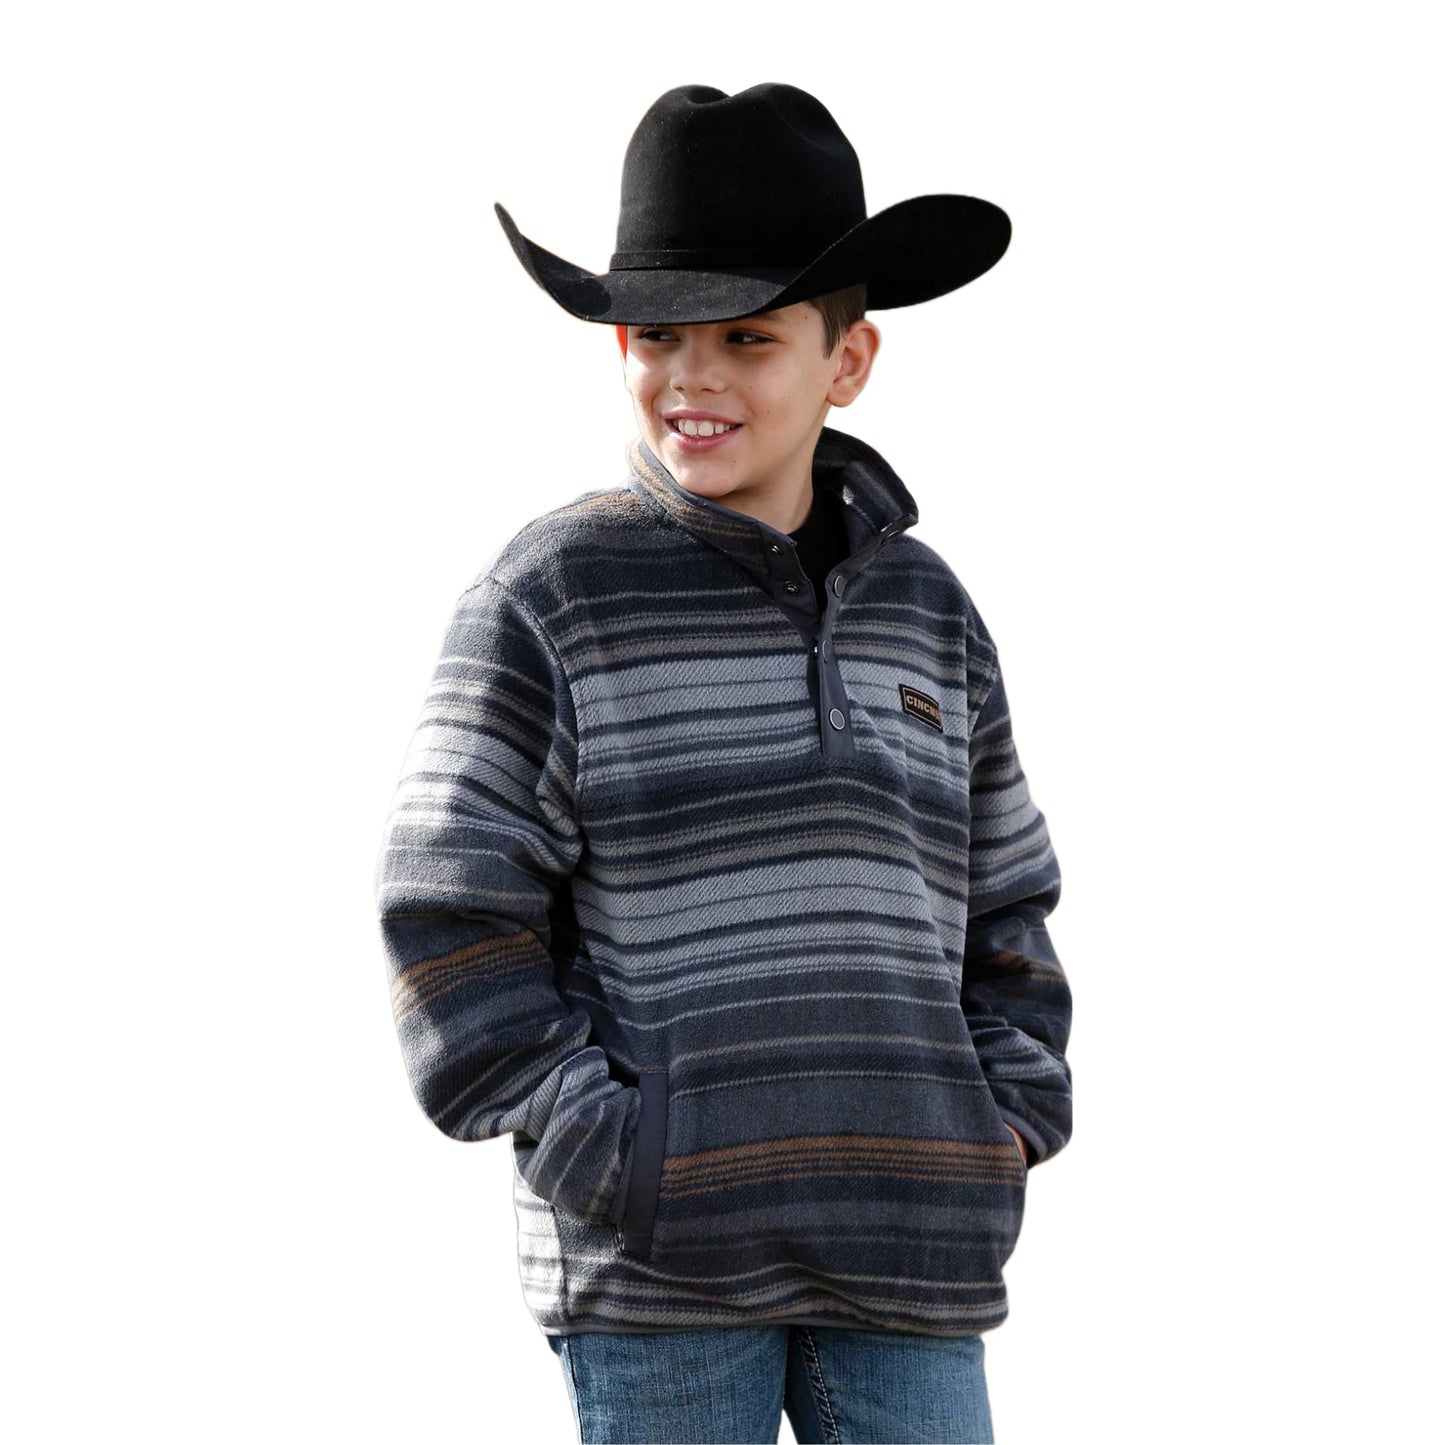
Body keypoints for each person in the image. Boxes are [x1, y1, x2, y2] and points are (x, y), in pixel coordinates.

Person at [374, 81, 1073, 1445]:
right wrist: (611, 1151)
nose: (691, 379)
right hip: (660, 1277)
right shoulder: (549, 597)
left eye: (747, 337)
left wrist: (1001, 1128)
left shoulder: (930, 610)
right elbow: (447, 913)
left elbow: (1008, 902)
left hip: (911, 1252)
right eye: (657, 336)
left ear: (847, 360)